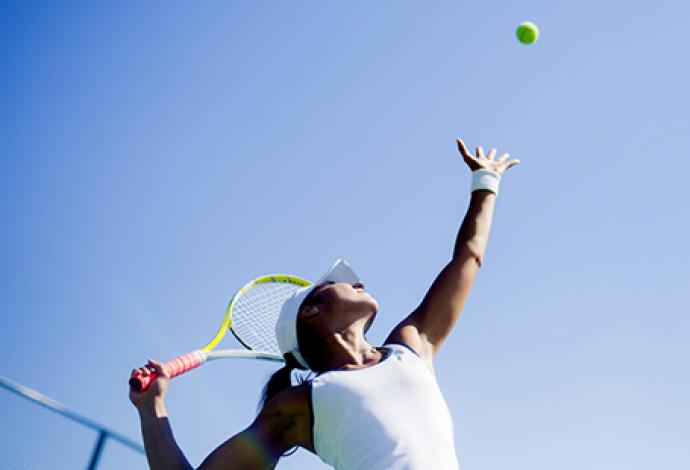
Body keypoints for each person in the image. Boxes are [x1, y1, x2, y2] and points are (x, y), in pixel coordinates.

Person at [129, 138, 520, 469]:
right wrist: (152, 408)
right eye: (337, 281)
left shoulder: (412, 345)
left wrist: (485, 182)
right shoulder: (299, 405)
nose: (357, 280)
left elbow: (468, 259)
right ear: (310, 312)